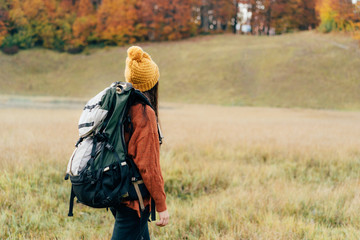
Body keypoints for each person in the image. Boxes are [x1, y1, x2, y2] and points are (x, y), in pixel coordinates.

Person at [111, 46, 169, 240]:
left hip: (117, 191)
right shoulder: (144, 113)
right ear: (152, 84)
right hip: (134, 200)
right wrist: (161, 206)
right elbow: (149, 167)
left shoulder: (120, 104)